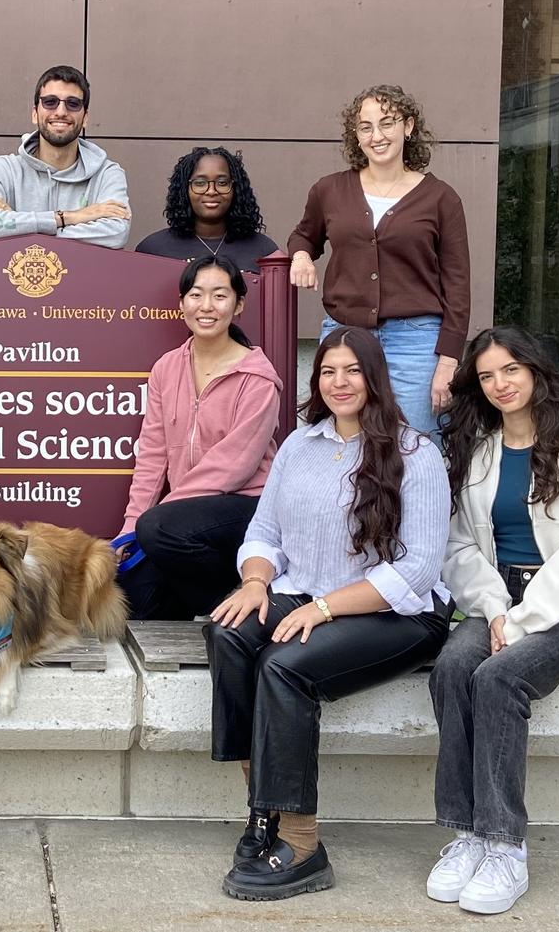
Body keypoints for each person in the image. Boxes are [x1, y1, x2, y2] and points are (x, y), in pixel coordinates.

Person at [205, 325, 451, 903]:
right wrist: (255, 580)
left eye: (352, 370)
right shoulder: (300, 445)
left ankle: (303, 845)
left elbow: (415, 570)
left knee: (283, 667)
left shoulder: (417, 454)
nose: (339, 383)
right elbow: (264, 531)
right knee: (230, 632)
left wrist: (322, 608)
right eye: (328, 371)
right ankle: (262, 811)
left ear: (374, 377)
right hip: (306, 592)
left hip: (399, 613)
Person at [426, 326, 559, 915]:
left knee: (498, 677)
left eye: (510, 370)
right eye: (487, 376)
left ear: (536, 372)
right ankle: (466, 834)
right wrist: (497, 610)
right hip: (498, 597)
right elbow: (460, 546)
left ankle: (506, 844)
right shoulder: (480, 450)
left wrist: (522, 622)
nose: (499, 384)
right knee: (452, 666)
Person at [286, 85, 470, 437]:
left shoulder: (441, 198)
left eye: (387, 123)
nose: (377, 136)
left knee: (414, 441)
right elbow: (304, 235)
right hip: (345, 337)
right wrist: (301, 257)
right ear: (355, 135)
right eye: (366, 127)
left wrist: (449, 359)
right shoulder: (329, 190)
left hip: (416, 342)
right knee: (342, 438)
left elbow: (458, 284)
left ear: (409, 126)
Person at [114, 255, 281, 619]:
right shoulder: (166, 367)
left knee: (158, 529)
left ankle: (236, 603)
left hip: (246, 509)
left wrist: (160, 514)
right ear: (181, 303)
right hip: (182, 521)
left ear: (238, 305)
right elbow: (153, 456)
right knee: (132, 600)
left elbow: (234, 466)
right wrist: (130, 529)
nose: (206, 306)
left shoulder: (258, 379)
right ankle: (214, 604)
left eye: (220, 296)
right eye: (195, 294)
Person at [0, 65, 131, 248]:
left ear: (85, 118)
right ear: (35, 113)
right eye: (50, 102)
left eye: (73, 104)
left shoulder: (107, 174)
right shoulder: (3, 169)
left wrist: (18, 226)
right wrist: (69, 217)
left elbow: (116, 233)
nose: (61, 111)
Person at [135, 147, 278, 267]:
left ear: (237, 189)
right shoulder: (152, 249)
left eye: (222, 183)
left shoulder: (264, 251)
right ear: (184, 190)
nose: (211, 191)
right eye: (200, 183)